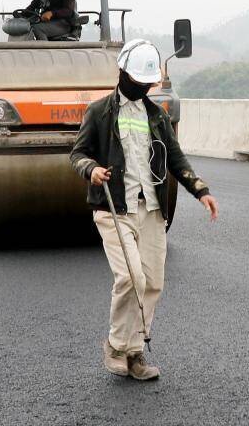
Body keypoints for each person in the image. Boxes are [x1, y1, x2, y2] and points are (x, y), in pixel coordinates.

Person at [70, 39, 219, 380]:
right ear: (122, 74)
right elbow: (77, 154)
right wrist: (91, 169)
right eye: (137, 82)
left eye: (146, 84)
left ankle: (135, 353)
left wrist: (201, 191)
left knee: (152, 282)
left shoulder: (156, 116)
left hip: (151, 209)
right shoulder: (99, 112)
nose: (141, 88)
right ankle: (116, 345)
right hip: (114, 208)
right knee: (131, 277)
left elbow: (176, 159)